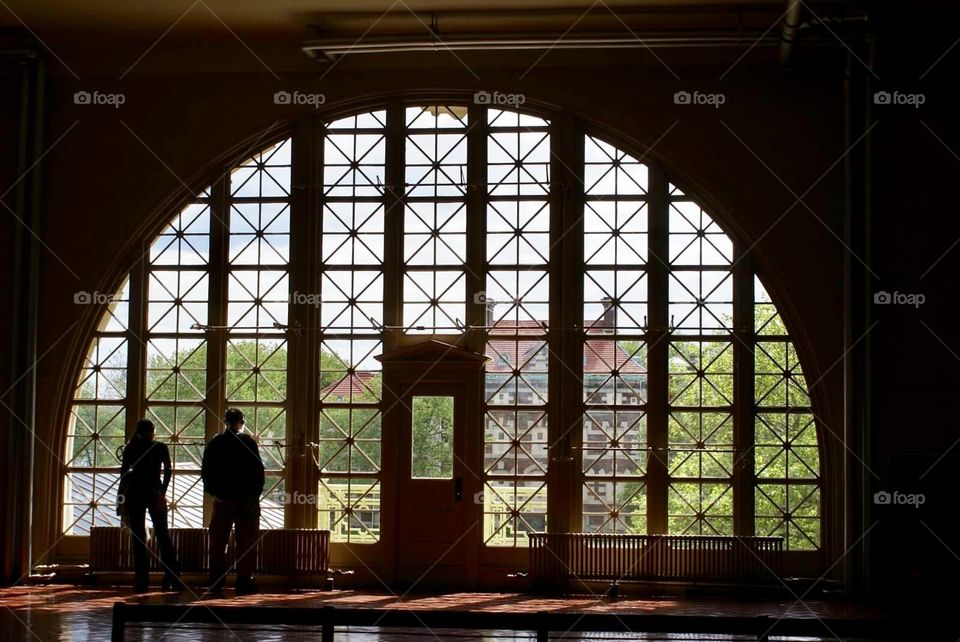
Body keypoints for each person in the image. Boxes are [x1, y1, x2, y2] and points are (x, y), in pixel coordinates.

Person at [201, 408, 265, 594]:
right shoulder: (248, 443)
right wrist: (255, 494)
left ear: (225, 421)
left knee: (218, 542)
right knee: (245, 542)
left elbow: (206, 471)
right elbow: (258, 471)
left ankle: (216, 581)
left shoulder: (215, 443)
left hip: (222, 498)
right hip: (245, 499)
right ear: (241, 421)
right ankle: (244, 581)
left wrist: (214, 492)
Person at [118, 418, 182, 592]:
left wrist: (120, 502)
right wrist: (163, 491)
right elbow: (168, 471)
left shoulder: (131, 448)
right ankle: (173, 577)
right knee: (163, 536)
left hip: (135, 496)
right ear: (153, 430)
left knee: (138, 538)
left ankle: (141, 580)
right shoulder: (160, 447)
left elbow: (124, 474)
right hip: (155, 494)